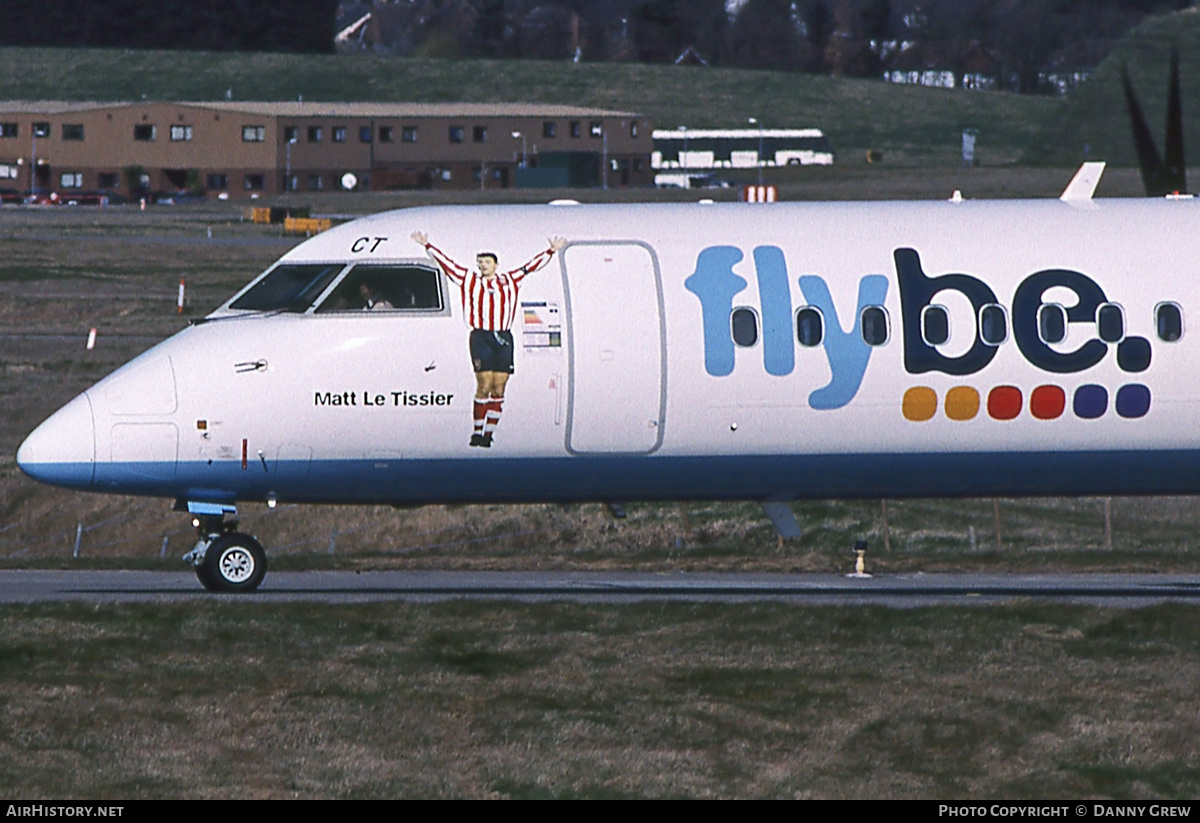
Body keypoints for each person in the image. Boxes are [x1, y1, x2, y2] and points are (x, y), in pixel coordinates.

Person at [412, 230, 566, 447]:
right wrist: (427, 246)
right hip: (481, 336)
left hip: (503, 337)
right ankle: (477, 431)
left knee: (499, 387)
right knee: (483, 385)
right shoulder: (469, 280)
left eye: (486, 262)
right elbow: (448, 264)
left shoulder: (510, 280)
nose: (483, 265)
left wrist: (550, 251)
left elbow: (530, 267)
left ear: (495, 264)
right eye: (480, 262)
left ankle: (488, 434)